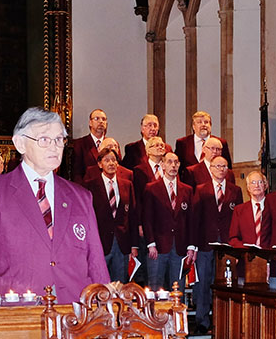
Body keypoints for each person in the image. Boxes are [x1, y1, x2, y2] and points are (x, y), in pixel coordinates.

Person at [0, 107, 109, 302]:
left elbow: (96, 263)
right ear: (20, 143)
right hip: (18, 314)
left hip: (74, 314)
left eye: (59, 140)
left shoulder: (80, 196)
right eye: (44, 140)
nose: (54, 147)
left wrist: (102, 309)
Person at [191, 154, 242, 330]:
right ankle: (202, 322)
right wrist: (193, 245)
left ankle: (223, 322)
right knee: (204, 282)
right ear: (210, 169)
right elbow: (195, 218)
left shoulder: (236, 191)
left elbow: (239, 218)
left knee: (224, 284)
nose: (221, 169)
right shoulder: (201, 189)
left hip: (227, 245)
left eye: (224, 166)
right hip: (205, 243)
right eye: (217, 166)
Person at [142, 151, 195, 291]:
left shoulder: (187, 190)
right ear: (162, 165)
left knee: (179, 288)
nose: (173, 165)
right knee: (155, 287)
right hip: (158, 246)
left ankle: (178, 313)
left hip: (180, 247)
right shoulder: (152, 188)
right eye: (169, 162)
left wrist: (191, 246)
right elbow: (147, 218)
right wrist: (150, 243)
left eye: (176, 162)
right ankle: (154, 314)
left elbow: (191, 220)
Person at [86, 148, 139, 282]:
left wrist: (134, 245)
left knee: (119, 286)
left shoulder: (127, 185)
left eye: (114, 160)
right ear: (99, 164)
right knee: (99, 286)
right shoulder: (90, 186)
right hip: (99, 243)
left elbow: (132, 216)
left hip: (122, 244)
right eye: (107, 160)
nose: (111, 163)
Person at [229, 171, 272, 247]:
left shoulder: (273, 207)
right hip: (247, 256)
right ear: (248, 187)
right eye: (253, 182)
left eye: (260, 182)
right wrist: (246, 250)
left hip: (269, 255)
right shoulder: (239, 210)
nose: (257, 185)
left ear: (265, 185)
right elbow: (233, 238)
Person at [66, 108, 108, 185]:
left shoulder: (111, 144)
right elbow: (76, 173)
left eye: (104, 119)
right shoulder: (80, 144)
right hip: (88, 188)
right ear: (90, 123)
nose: (101, 121)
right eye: (97, 119)